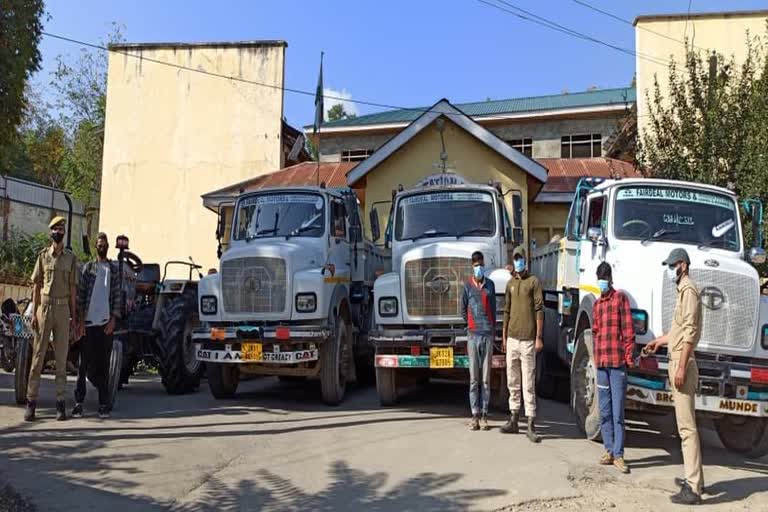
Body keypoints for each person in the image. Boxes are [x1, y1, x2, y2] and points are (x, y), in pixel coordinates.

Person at [645, 248, 704, 505]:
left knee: (687, 428)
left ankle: (693, 487)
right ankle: (693, 480)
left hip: (683, 363)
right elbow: (678, 331)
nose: (670, 270)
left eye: (672, 265)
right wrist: (658, 341)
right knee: (684, 426)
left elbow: (690, 333)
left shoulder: (689, 291)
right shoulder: (682, 292)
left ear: (683, 265)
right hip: (677, 358)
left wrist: (680, 366)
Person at [25, 216, 78, 422]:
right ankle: (31, 402)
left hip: (63, 309)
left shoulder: (71, 259)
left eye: (62, 229)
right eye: (55, 229)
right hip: (44, 309)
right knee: (37, 357)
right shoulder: (43, 256)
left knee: (62, 359)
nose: (59, 232)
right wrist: (34, 312)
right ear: (50, 232)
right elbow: (36, 286)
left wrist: (73, 316)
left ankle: (60, 403)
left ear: (64, 233)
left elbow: (73, 290)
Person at [591, 262, 635, 474]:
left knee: (618, 412)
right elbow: (595, 332)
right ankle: (608, 450)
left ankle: (619, 454)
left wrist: (629, 356)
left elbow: (628, 331)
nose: (602, 282)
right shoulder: (597, 305)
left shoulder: (620, 299)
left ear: (610, 278)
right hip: (601, 365)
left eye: (604, 278)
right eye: (599, 278)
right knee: (605, 411)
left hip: (617, 365)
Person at [73, 233, 121, 419]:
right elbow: (81, 295)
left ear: (108, 246)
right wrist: (79, 322)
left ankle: (103, 404)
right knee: (82, 365)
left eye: (104, 244)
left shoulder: (113, 270)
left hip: (105, 325)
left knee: (103, 366)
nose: (102, 247)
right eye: (99, 244)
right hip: (88, 324)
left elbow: (117, 296)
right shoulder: (88, 269)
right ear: (95, 246)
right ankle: (79, 403)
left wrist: (113, 319)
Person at [500, 246, 543, 442]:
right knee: (512, 381)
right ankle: (514, 419)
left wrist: (539, 337)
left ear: (525, 260)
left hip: (528, 340)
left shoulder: (533, 282)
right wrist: (504, 336)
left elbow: (539, 310)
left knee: (528, 383)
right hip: (512, 339)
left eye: (520, 258)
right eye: (515, 259)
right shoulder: (509, 283)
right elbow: (506, 311)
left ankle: (531, 424)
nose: (518, 262)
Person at [461, 251, 496, 431]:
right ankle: (474, 415)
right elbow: (463, 309)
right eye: (475, 265)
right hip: (473, 336)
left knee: (485, 379)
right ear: (472, 266)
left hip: (487, 335)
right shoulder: (467, 286)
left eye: (480, 264)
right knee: (474, 378)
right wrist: (470, 326)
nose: (478, 267)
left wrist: (491, 330)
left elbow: (494, 310)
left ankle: (484, 415)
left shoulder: (490, 285)